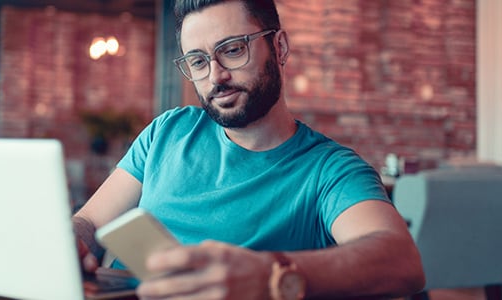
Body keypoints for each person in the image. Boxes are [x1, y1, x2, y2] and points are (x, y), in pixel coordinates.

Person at [73, 0, 425, 299]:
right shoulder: (168, 131)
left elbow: (402, 260)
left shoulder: (330, 170)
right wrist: (70, 242)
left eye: (232, 50)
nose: (215, 76)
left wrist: (269, 274)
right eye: (197, 61)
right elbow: (90, 220)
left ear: (280, 48)